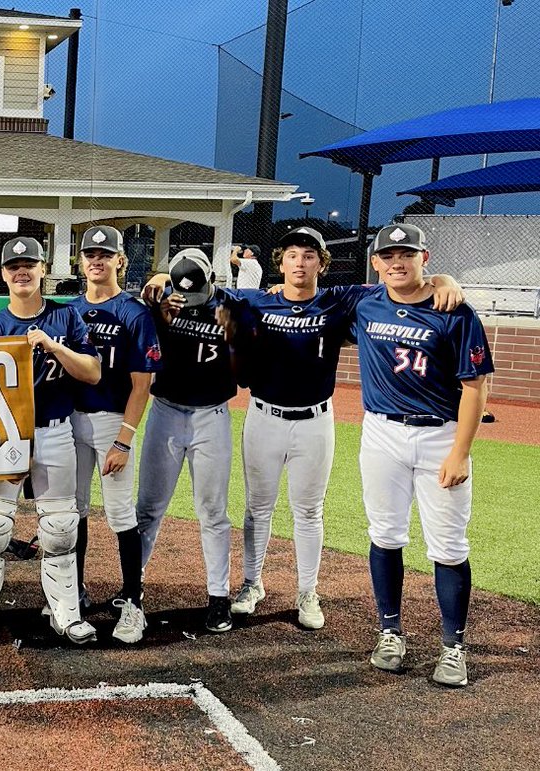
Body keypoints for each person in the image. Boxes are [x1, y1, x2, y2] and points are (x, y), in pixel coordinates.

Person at [211, 227, 464, 631]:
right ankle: (251, 584)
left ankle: (306, 592)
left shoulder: (339, 301)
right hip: (263, 416)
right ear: (280, 263)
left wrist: (443, 280)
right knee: (258, 507)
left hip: (315, 420)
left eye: (309, 255)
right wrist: (160, 279)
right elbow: (204, 294)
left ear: (322, 264)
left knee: (309, 511)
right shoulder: (256, 300)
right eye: (292, 254)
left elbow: (400, 284)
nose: (300, 262)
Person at [354, 223, 492, 688]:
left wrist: (461, 452)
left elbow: (476, 388)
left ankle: (453, 645)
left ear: (423, 258)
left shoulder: (454, 309)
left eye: (406, 254)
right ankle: (390, 631)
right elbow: (304, 292)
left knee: (449, 544)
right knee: (386, 533)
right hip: (381, 432)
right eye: (388, 255)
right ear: (375, 263)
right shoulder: (364, 302)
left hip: (439, 436)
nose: (397, 261)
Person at [0, 236, 101, 644]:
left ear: (42, 270)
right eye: (14, 266)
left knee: (60, 528)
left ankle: (65, 614)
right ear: (3, 274)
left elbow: (92, 372)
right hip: (5, 436)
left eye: (29, 264)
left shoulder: (66, 318)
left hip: (55, 430)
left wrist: (52, 346)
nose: (22, 271)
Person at [66, 226, 161, 644]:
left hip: (110, 420)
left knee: (120, 513)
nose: (97, 261)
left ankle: (133, 601)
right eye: (90, 254)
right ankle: (75, 591)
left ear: (120, 260)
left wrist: (124, 439)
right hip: (72, 419)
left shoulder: (133, 311)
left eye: (105, 254)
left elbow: (143, 384)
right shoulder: (68, 309)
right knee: (75, 511)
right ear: (81, 261)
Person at [135, 249, 236, 634]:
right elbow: (141, 302)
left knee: (213, 510)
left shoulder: (232, 307)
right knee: (148, 508)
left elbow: (272, 298)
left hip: (212, 416)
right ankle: (133, 590)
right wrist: (156, 293)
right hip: (166, 412)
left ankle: (218, 597)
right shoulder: (162, 304)